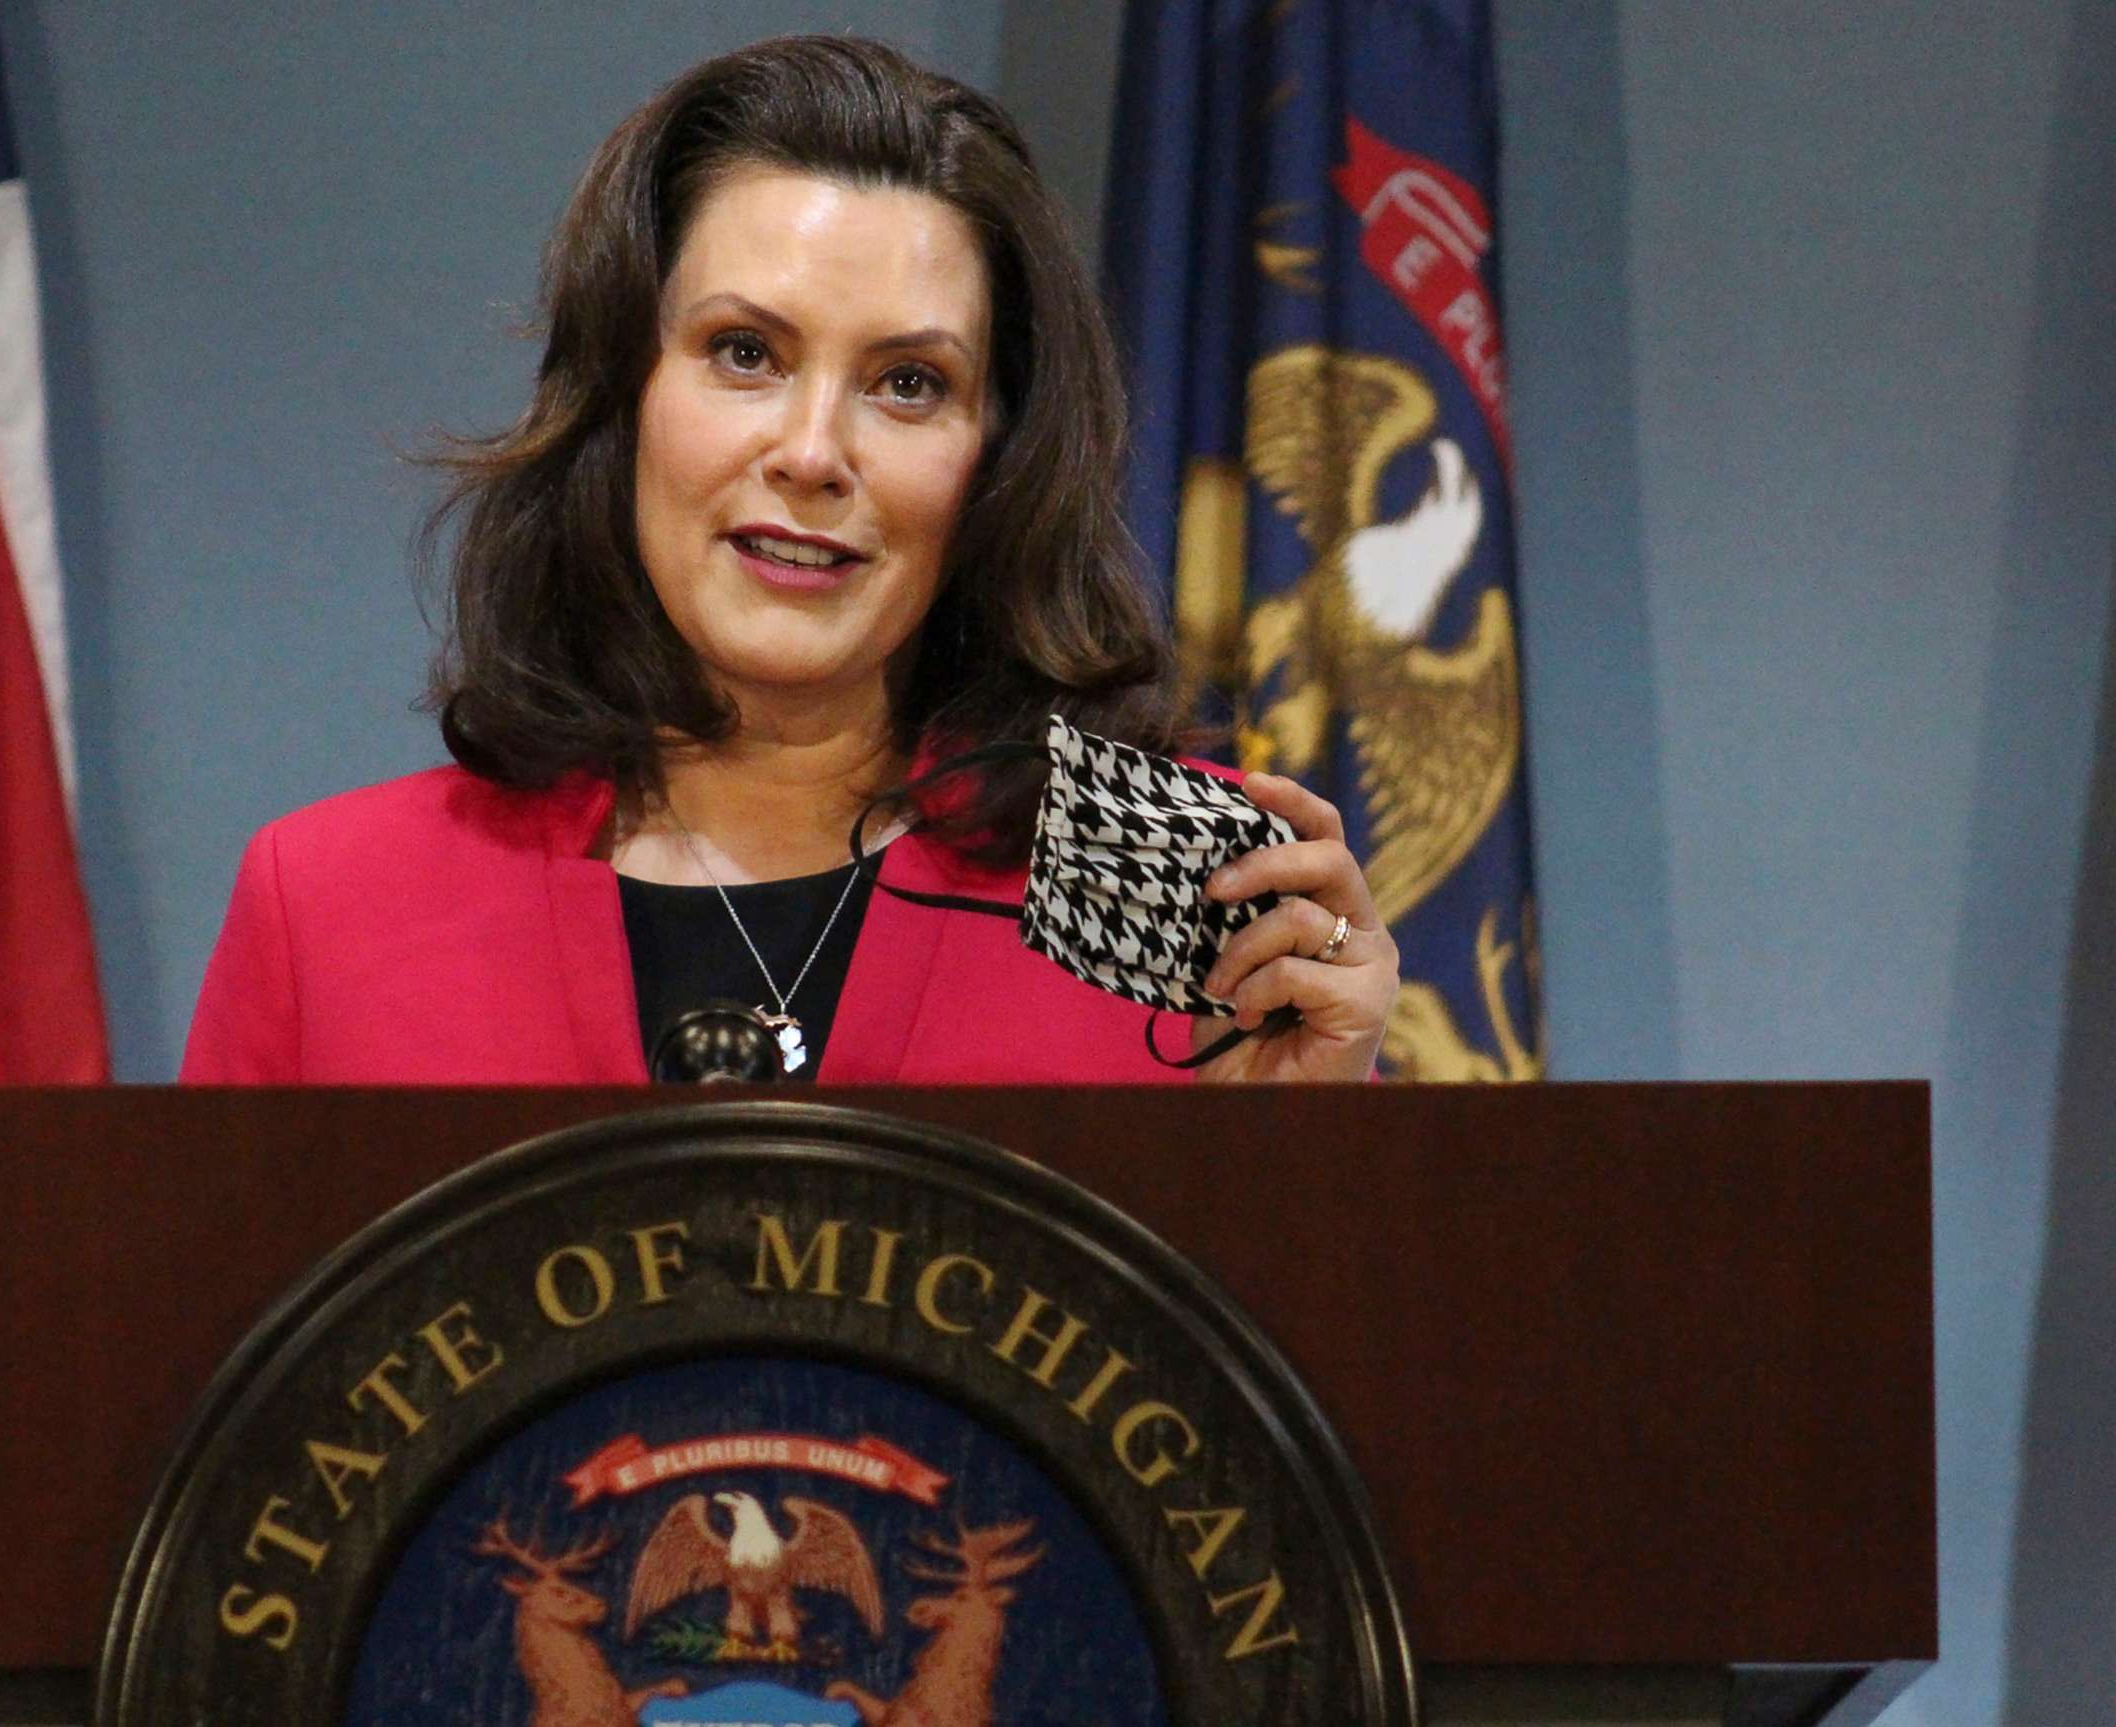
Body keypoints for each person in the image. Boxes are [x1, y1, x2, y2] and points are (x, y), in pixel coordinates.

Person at [181, 35, 1397, 1086]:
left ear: (997, 455)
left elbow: (1291, 1347)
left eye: (908, 384)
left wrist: (1310, 1144)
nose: (814, 453)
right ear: (621, 394)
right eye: (745, 353)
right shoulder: (336, 907)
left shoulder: (1180, 887)